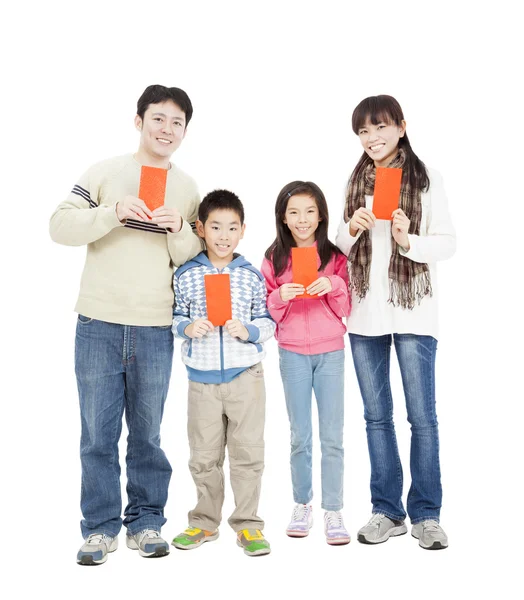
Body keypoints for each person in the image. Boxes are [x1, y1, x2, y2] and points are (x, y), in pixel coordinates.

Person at [50, 84, 204, 565]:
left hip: (156, 325)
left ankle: (146, 523)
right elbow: (59, 225)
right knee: (96, 434)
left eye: (177, 122)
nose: (167, 129)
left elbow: (196, 259)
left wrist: (179, 229)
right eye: (159, 118)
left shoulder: (187, 188)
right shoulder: (106, 172)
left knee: (147, 434)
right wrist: (112, 212)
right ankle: (99, 528)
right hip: (98, 320)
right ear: (138, 121)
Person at [336, 94, 456, 550]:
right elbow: (335, 246)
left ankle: (427, 514)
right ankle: (387, 511)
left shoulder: (426, 181)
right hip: (364, 314)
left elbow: (448, 243)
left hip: (414, 312)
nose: (372, 138)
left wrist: (408, 240)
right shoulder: (352, 181)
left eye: (380, 127)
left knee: (422, 417)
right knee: (376, 417)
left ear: (401, 127)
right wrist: (352, 227)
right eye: (363, 131)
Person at [171, 190, 275, 557]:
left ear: (243, 230)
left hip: (246, 376)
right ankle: (203, 522)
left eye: (232, 227)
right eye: (215, 227)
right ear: (200, 228)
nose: (223, 235)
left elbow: (266, 321)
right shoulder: (186, 274)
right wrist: (187, 327)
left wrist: (248, 330)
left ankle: (248, 525)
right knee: (203, 455)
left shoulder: (250, 275)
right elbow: (175, 317)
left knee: (248, 453)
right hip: (201, 380)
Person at [261, 181, 351, 545]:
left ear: (321, 215)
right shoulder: (274, 258)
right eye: (294, 212)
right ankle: (302, 504)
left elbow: (347, 310)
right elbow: (268, 310)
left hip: (331, 352)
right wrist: (281, 295)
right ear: (283, 216)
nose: (302, 219)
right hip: (292, 352)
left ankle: (333, 510)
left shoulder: (334, 256)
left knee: (332, 437)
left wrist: (333, 285)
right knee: (300, 436)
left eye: (310, 211)